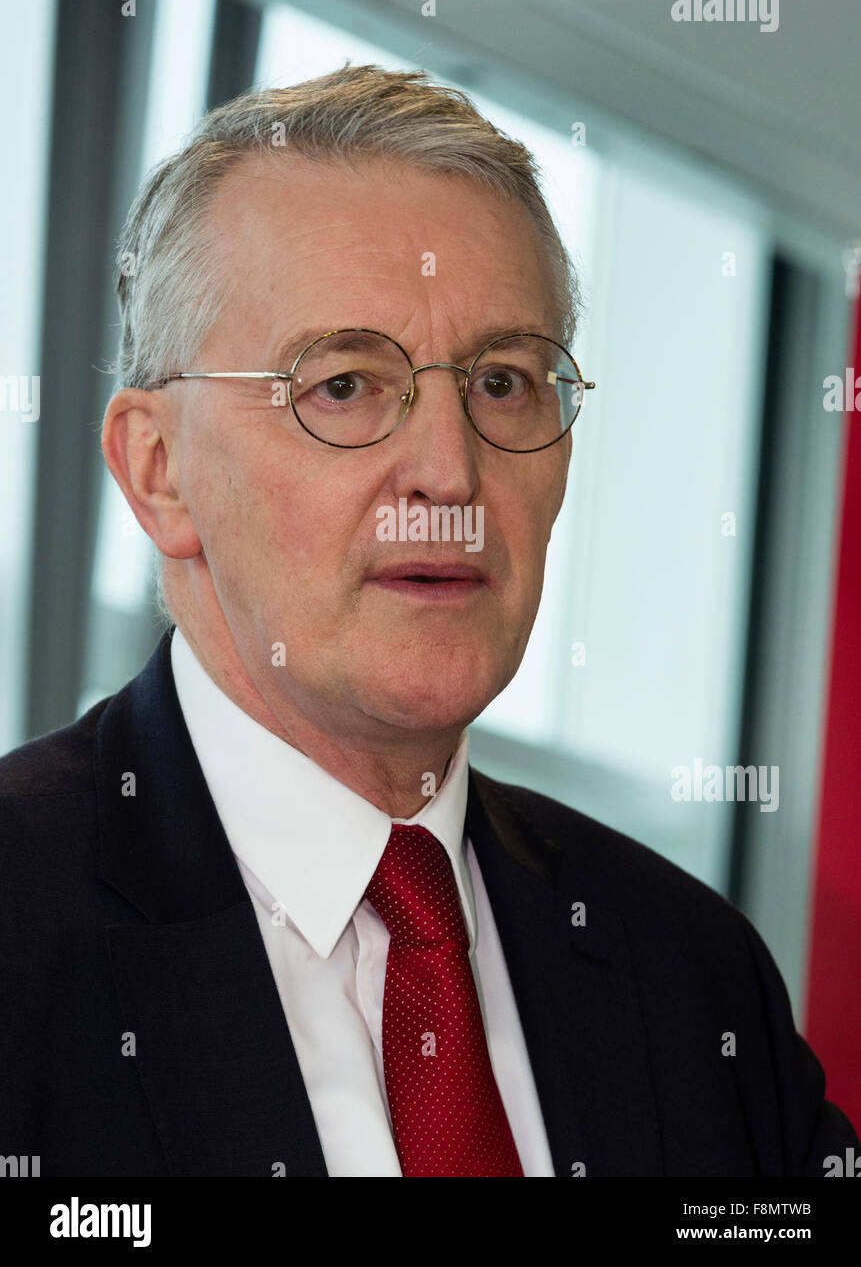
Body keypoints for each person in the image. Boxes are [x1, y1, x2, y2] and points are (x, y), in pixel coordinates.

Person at [1, 66, 856, 1177]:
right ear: (159, 470)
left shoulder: (686, 973)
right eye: (346, 384)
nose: (449, 470)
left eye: (503, 383)